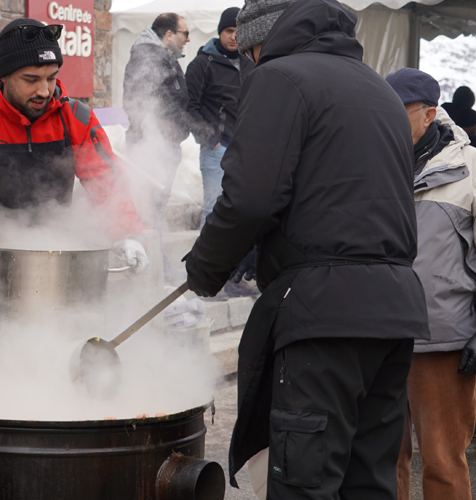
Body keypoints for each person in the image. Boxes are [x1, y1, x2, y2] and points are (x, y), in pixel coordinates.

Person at [182, 0, 429, 498]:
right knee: (369, 482)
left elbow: (249, 198)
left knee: (306, 482)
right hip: (395, 309)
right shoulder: (377, 87)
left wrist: (204, 270)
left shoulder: (280, 78)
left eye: (250, 54)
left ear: (259, 41)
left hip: (324, 314)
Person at [0, 18, 148, 314]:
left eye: (51, 78)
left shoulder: (75, 117)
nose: (44, 90)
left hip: (57, 264)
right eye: (31, 79)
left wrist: (129, 234)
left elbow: (109, 186)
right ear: (4, 76)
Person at [385, 68, 476, 500]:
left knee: (441, 459)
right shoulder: (371, 167)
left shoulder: (468, 170)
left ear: (429, 114)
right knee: (380, 458)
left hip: (440, 339)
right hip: (378, 333)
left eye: (398, 112)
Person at [185, 7, 256, 298]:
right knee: (213, 209)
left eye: (239, 32)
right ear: (220, 31)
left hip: (246, 150)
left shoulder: (250, 63)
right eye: (229, 31)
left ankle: (233, 274)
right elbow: (189, 107)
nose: (234, 37)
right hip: (216, 150)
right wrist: (208, 138)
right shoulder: (203, 63)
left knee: (242, 212)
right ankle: (208, 277)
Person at [121, 12, 190, 282]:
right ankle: (153, 269)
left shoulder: (164, 56)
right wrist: (155, 136)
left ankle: (157, 266)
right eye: (184, 33)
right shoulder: (148, 55)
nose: (187, 39)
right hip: (151, 146)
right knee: (148, 209)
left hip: (164, 145)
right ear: (169, 34)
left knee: (155, 209)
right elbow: (136, 103)